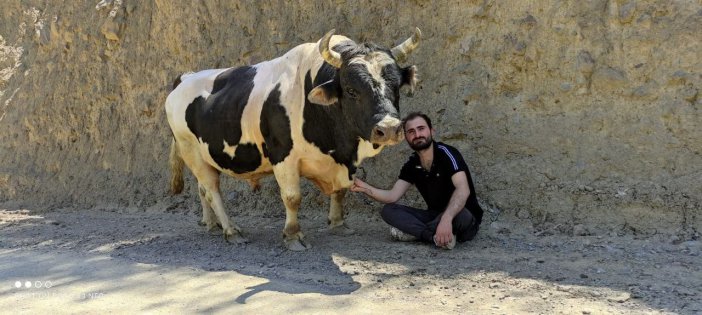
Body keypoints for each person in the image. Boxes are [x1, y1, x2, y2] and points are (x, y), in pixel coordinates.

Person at [350, 112, 483, 249]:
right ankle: (434, 237)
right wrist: (363, 187)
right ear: (406, 137)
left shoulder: (447, 154)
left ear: (431, 131)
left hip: (462, 218)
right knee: (388, 210)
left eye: (421, 129)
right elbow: (391, 196)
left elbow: (463, 189)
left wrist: (446, 219)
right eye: (411, 131)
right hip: (433, 216)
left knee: (462, 214)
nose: (417, 135)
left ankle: (418, 233)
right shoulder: (412, 165)